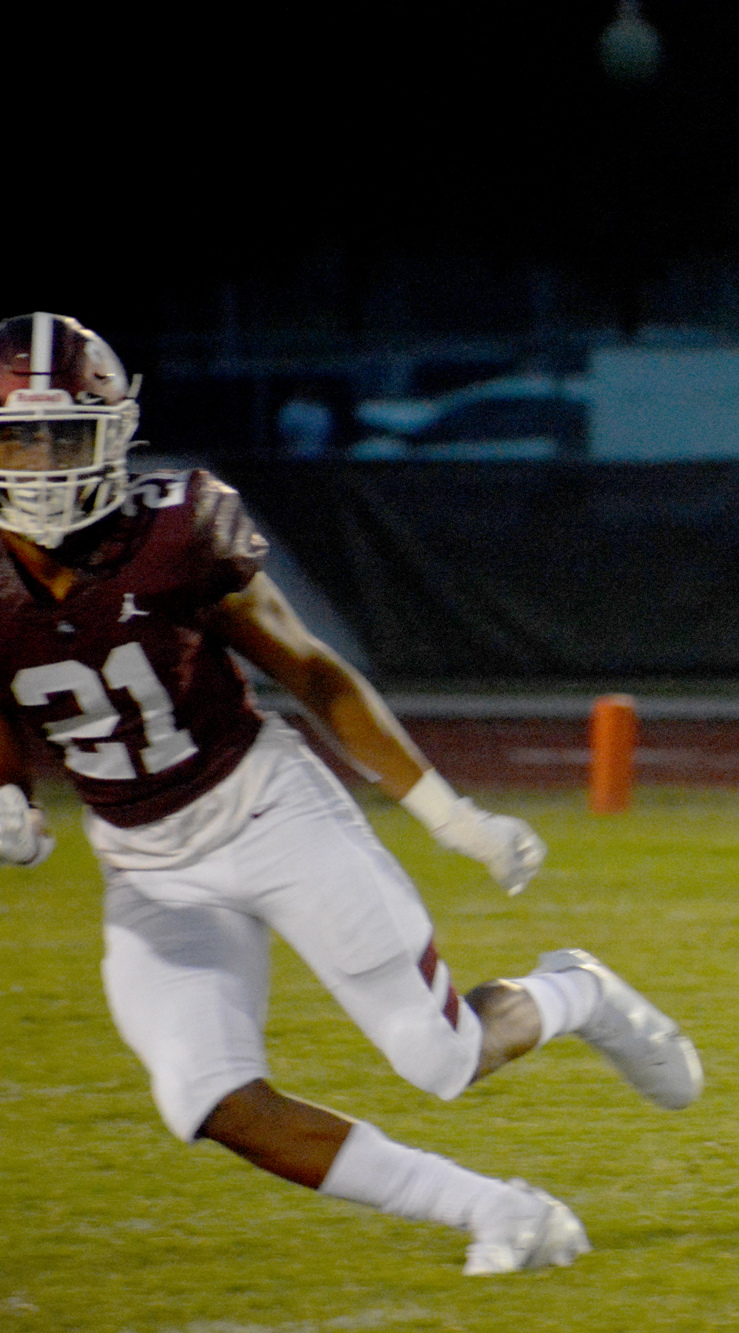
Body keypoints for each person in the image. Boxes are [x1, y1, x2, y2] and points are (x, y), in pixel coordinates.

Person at [0, 313, 703, 1275]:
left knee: (440, 1054)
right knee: (204, 1096)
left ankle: (578, 990)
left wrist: (450, 814)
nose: (38, 465)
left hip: (266, 809)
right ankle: (502, 1211)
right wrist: (10, 789)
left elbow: (315, 672)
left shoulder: (176, 529)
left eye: (59, 436)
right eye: (15, 438)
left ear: (114, 431)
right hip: (146, 868)